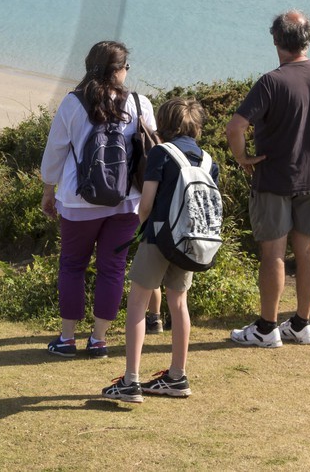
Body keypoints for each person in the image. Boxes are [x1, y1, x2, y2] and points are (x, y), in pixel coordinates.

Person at [226, 10, 310, 348]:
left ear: (275, 40)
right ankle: (301, 323)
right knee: (307, 249)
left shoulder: (272, 81)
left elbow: (235, 127)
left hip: (273, 178)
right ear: (309, 39)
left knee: (273, 252)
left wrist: (243, 158)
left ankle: (267, 327)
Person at [40, 40, 156, 356]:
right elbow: (151, 154)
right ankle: (99, 339)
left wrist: (48, 190)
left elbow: (55, 153)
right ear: (117, 70)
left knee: (72, 265)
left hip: (78, 201)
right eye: (125, 67)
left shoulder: (72, 103)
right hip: (127, 201)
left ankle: (66, 339)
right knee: (113, 268)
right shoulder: (140, 103)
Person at [102, 97, 218, 402]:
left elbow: (146, 205)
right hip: (189, 242)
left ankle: (131, 380)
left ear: (165, 124)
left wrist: (142, 225)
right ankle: (177, 376)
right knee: (179, 304)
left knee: (138, 303)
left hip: (158, 237)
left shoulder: (161, 154)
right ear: (197, 127)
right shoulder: (208, 161)